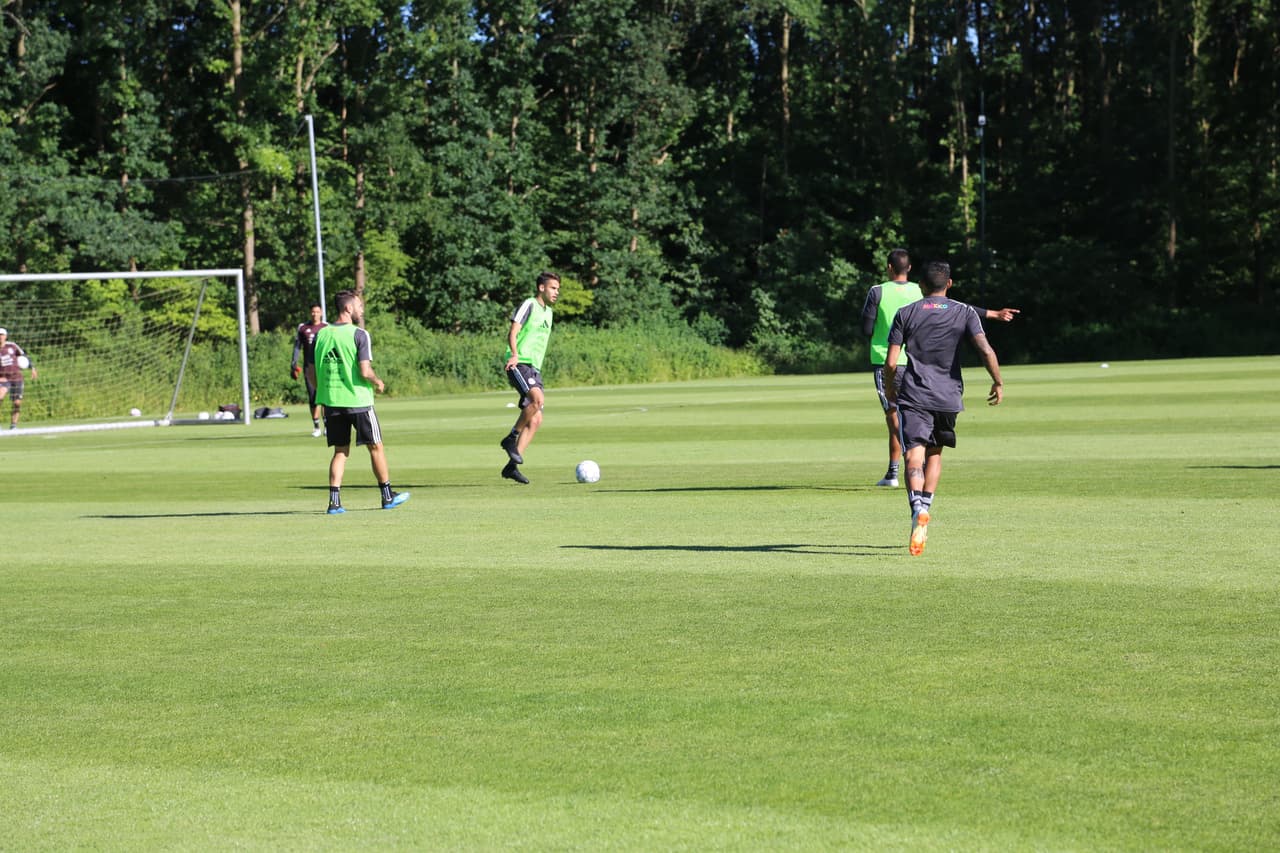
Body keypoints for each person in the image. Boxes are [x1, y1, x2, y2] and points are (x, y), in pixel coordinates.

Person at [860, 249, 1018, 487]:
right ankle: (912, 471)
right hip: (926, 365)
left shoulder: (878, 291)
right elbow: (955, 306)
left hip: (887, 359)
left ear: (889, 267)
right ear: (909, 268)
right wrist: (992, 314)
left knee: (894, 416)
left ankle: (896, 471)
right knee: (921, 430)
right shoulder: (920, 289)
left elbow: (866, 329)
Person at [884, 260, 1003, 556]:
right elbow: (986, 350)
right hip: (948, 396)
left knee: (914, 456)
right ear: (949, 284)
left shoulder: (906, 313)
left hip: (914, 395)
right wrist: (998, 381)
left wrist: (889, 387)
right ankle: (926, 506)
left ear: (921, 286)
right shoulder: (965, 312)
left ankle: (917, 508)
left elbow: (891, 362)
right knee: (935, 454)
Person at [313, 291, 409, 514]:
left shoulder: (321, 335)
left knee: (340, 451)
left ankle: (334, 502)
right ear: (348, 308)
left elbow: (311, 371)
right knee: (375, 446)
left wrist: (324, 391)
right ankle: (387, 496)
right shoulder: (359, 334)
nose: (362, 309)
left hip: (331, 402)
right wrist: (377, 381)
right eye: (359, 305)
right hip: (358, 400)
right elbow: (365, 371)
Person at [499, 271, 560, 484]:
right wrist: (515, 354)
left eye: (558, 289)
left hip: (534, 368)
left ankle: (511, 467)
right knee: (537, 400)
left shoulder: (549, 313)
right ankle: (511, 438)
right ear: (541, 288)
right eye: (553, 288)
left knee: (536, 419)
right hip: (519, 363)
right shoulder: (529, 304)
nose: (556, 292)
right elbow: (513, 332)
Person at [290, 304, 327, 437]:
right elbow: (297, 347)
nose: (315, 314)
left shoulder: (326, 327)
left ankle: (327, 426)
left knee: (325, 397)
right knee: (312, 397)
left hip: (322, 367)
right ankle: (316, 427)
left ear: (321, 313)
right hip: (308, 367)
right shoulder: (303, 328)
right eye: (313, 311)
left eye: (317, 311)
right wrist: (293, 363)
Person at [0, 327, 37, 430]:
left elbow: (24, 356)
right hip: (3, 379)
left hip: (17, 378)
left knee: (17, 403)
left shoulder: (12, 346)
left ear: (5, 336)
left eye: (2, 335)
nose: (0, 337)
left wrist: (32, 368)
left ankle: (13, 426)